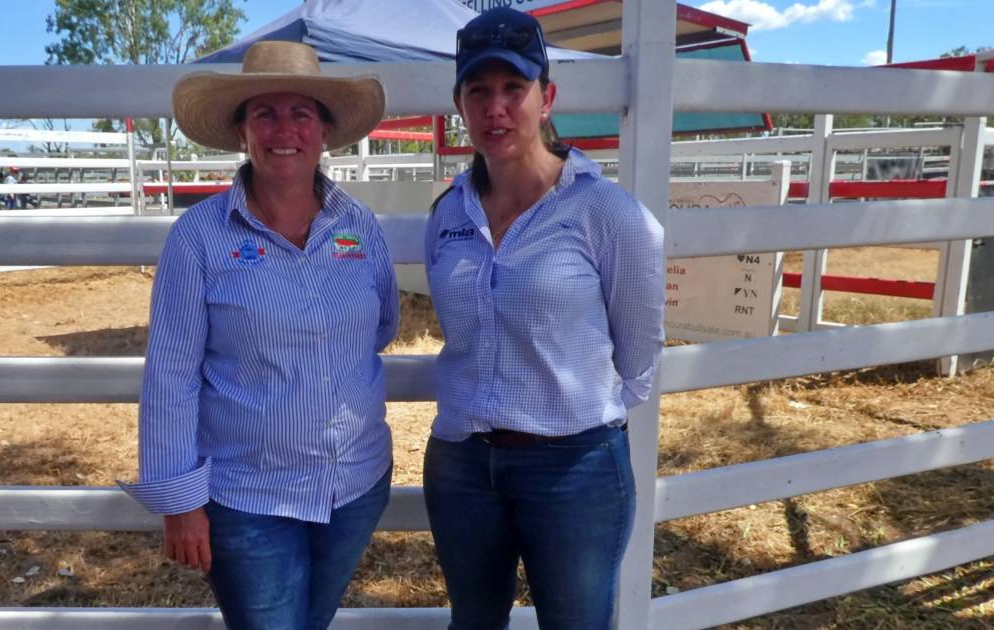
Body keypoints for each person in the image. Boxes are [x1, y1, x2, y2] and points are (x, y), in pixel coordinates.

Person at [118, 41, 398, 630]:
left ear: (324, 131)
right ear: (242, 131)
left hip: (353, 483)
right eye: (264, 114)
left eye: (301, 113)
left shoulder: (359, 226)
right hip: (247, 498)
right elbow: (170, 374)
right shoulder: (198, 238)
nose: (283, 129)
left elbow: (381, 326)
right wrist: (180, 501)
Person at [422, 8, 665, 629]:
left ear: (546, 97)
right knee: (472, 622)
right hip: (464, 463)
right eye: (479, 91)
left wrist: (579, 419)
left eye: (513, 89)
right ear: (460, 103)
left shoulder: (604, 213)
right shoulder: (448, 214)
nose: (496, 108)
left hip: (573, 465)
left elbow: (639, 353)